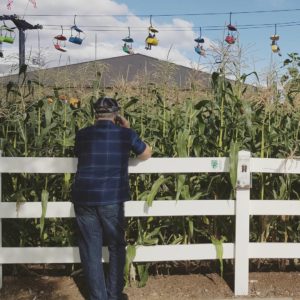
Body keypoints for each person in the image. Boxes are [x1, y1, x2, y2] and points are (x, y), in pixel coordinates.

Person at [72, 96, 152, 300]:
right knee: (117, 246)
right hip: (111, 199)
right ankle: (114, 294)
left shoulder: (82, 135)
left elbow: (81, 152)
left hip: (84, 198)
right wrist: (127, 127)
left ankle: (98, 297)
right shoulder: (125, 134)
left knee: (90, 249)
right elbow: (146, 154)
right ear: (116, 114)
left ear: (95, 114)